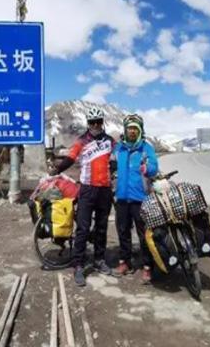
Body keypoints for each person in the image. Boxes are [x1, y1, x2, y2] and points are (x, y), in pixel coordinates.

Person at [49, 107, 115, 286]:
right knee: (83, 228)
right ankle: (78, 264)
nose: (95, 125)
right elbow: (70, 159)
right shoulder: (81, 141)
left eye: (98, 122)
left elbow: (115, 161)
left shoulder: (110, 141)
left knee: (101, 228)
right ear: (88, 123)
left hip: (105, 190)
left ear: (102, 122)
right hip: (87, 189)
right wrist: (56, 169)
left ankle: (99, 260)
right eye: (92, 122)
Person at [111, 114, 158, 284]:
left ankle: (147, 267)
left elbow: (154, 167)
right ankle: (125, 263)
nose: (131, 131)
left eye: (135, 128)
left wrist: (148, 168)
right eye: (129, 128)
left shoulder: (146, 148)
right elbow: (111, 165)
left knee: (144, 234)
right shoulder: (119, 149)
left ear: (139, 130)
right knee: (123, 231)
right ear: (125, 130)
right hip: (122, 197)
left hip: (140, 198)